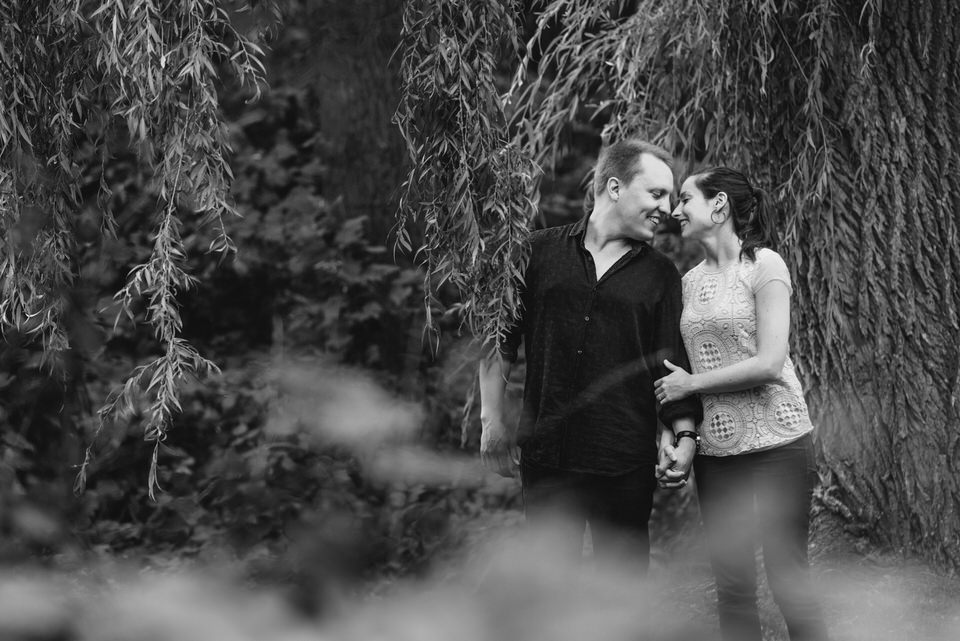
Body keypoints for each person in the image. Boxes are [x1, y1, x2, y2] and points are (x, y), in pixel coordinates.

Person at [478, 138, 702, 572]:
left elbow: (670, 365)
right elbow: (498, 341)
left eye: (671, 198)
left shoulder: (660, 275)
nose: (667, 209)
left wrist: (685, 436)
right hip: (546, 457)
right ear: (614, 187)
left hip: (623, 464)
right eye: (656, 193)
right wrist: (491, 419)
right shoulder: (536, 252)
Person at [655, 167, 829, 640]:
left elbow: (771, 362)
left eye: (685, 199)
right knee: (732, 585)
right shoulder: (686, 283)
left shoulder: (766, 265)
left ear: (719, 206)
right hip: (717, 451)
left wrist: (693, 385)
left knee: (788, 575)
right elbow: (675, 375)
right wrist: (675, 434)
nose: (675, 211)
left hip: (781, 443)